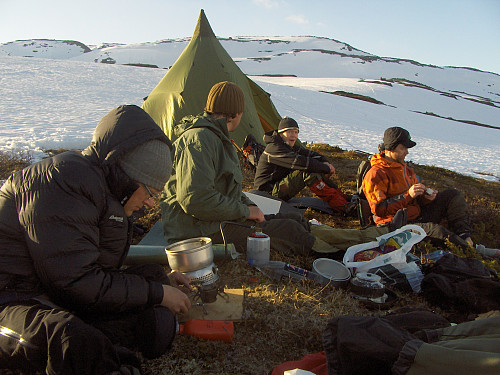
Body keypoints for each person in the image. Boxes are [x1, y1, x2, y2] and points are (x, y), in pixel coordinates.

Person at [0, 105, 192, 375]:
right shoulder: (63, 181)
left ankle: (104, 352)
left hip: (54, 293)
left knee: (153, 283)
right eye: (150, 192)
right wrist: (157, 294)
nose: (150, 203)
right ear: (127, 178)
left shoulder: (105, 193)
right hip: (13, 299)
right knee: (69, 338)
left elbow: (97, 271)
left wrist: (162, 284)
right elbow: (75, 281)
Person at [161, 82, 401, 257]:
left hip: (210, 218)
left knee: (292, 218)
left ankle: (371, 236)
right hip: (195, 231)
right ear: (235, 113)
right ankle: (355, 251)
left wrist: (247, 206)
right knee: (287, 231)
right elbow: (195, 200)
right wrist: (246, 212)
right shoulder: (200, 140)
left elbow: (217, 191)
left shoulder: (214, 137)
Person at [362, 126, 473, 247]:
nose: (407, 152)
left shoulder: (406, 170)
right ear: (390, 148)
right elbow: (379, 210)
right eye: (403, 148)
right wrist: (408, 195)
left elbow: (415, 200)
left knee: (452, 195)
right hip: (395, 224)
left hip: (417, 216)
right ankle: (475, 250)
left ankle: (464, 235)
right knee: (438, 232)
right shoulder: (376, 174)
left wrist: (425, 198)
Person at [253, 117, 356, 216]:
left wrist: (325, 162)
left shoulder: (287, 146)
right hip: (266, 194)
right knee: (306, 172)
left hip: (277, 189)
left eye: (296, 132)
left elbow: (311, 154)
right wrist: (326, 168)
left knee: (315, 167)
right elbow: (301, 162)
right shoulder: (274, 148)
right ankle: (343, 207)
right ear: (281, 134)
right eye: (289, 132)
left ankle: (344, 198)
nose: (293, 135)